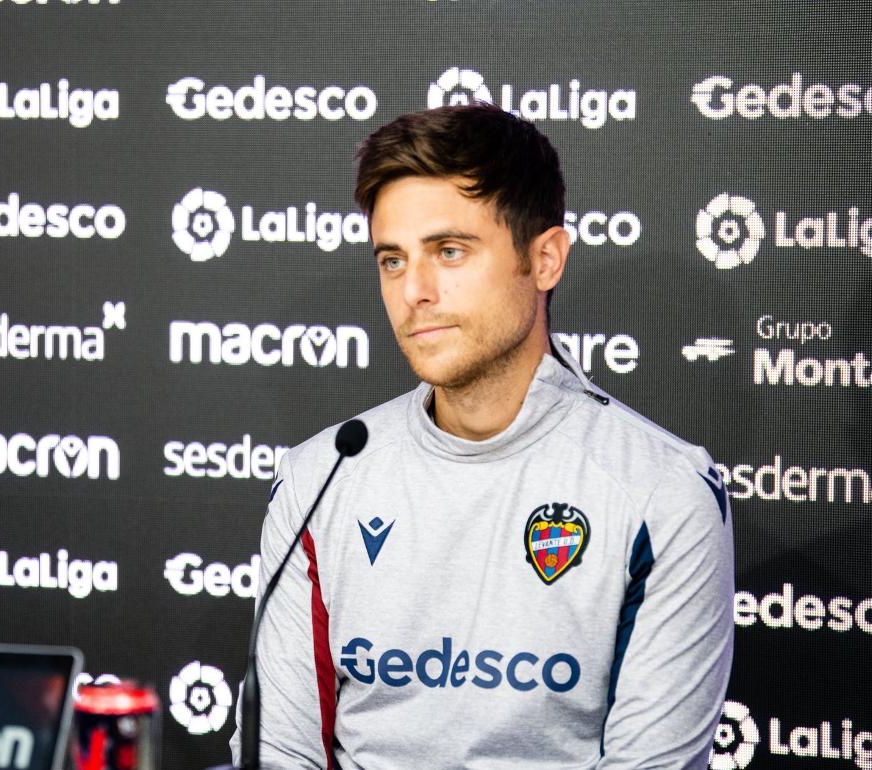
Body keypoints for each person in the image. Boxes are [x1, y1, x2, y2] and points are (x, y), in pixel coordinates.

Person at [230, 104, 735, 769]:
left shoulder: (663, 493)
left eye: (449, 251)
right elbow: (279, 753)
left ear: (545, 257)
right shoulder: (320, 477)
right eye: (392, 260)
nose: (414, 291)